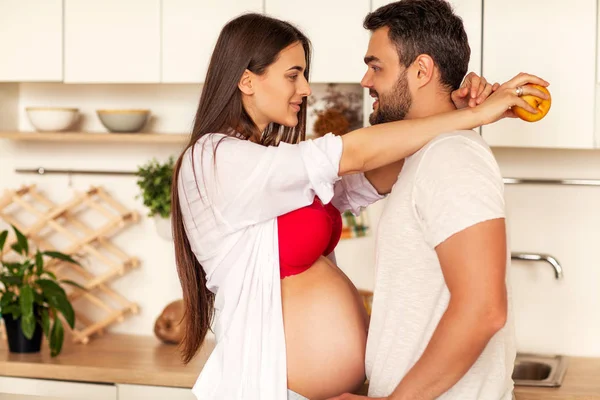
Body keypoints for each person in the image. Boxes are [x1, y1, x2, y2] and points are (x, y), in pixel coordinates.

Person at [170, 12, 546, 400]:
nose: (306, 89)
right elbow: (353, 155)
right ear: (247, 79)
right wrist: (474, 114)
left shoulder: (265, 165)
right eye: (293, 74)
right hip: (264, 387)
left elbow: (361, 181)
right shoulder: (213, 159)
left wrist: (454, 116)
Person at [328, 1, 549, 399]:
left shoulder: (452, 156)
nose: (365, 80)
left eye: (376, 66)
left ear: (422, 70)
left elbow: (483, 310)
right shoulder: (425, 153)